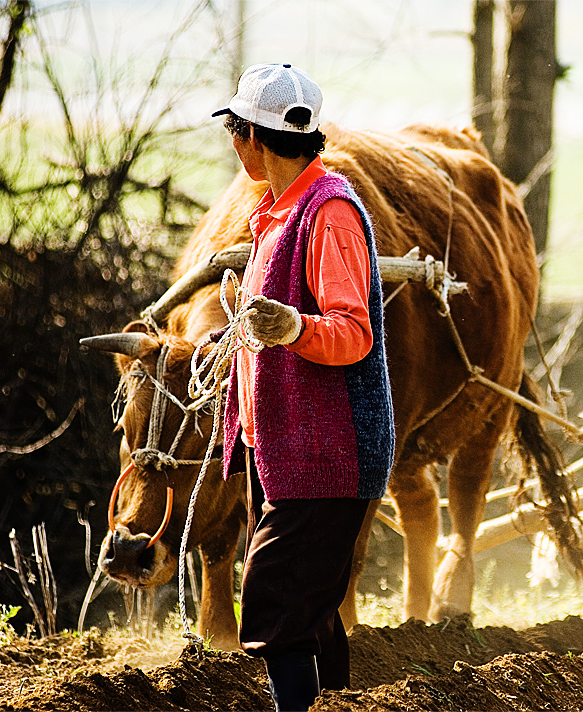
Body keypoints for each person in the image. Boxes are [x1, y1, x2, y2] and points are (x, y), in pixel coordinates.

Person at [212, 63, 395, 711]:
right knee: (310, 608)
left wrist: (291, 326)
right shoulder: (277, 213)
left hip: (327, 452)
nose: (233, 146)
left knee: (274, 608)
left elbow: (352, 334)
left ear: (252, 138)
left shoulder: (330, 214)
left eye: (234, 133)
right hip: (286, 449)